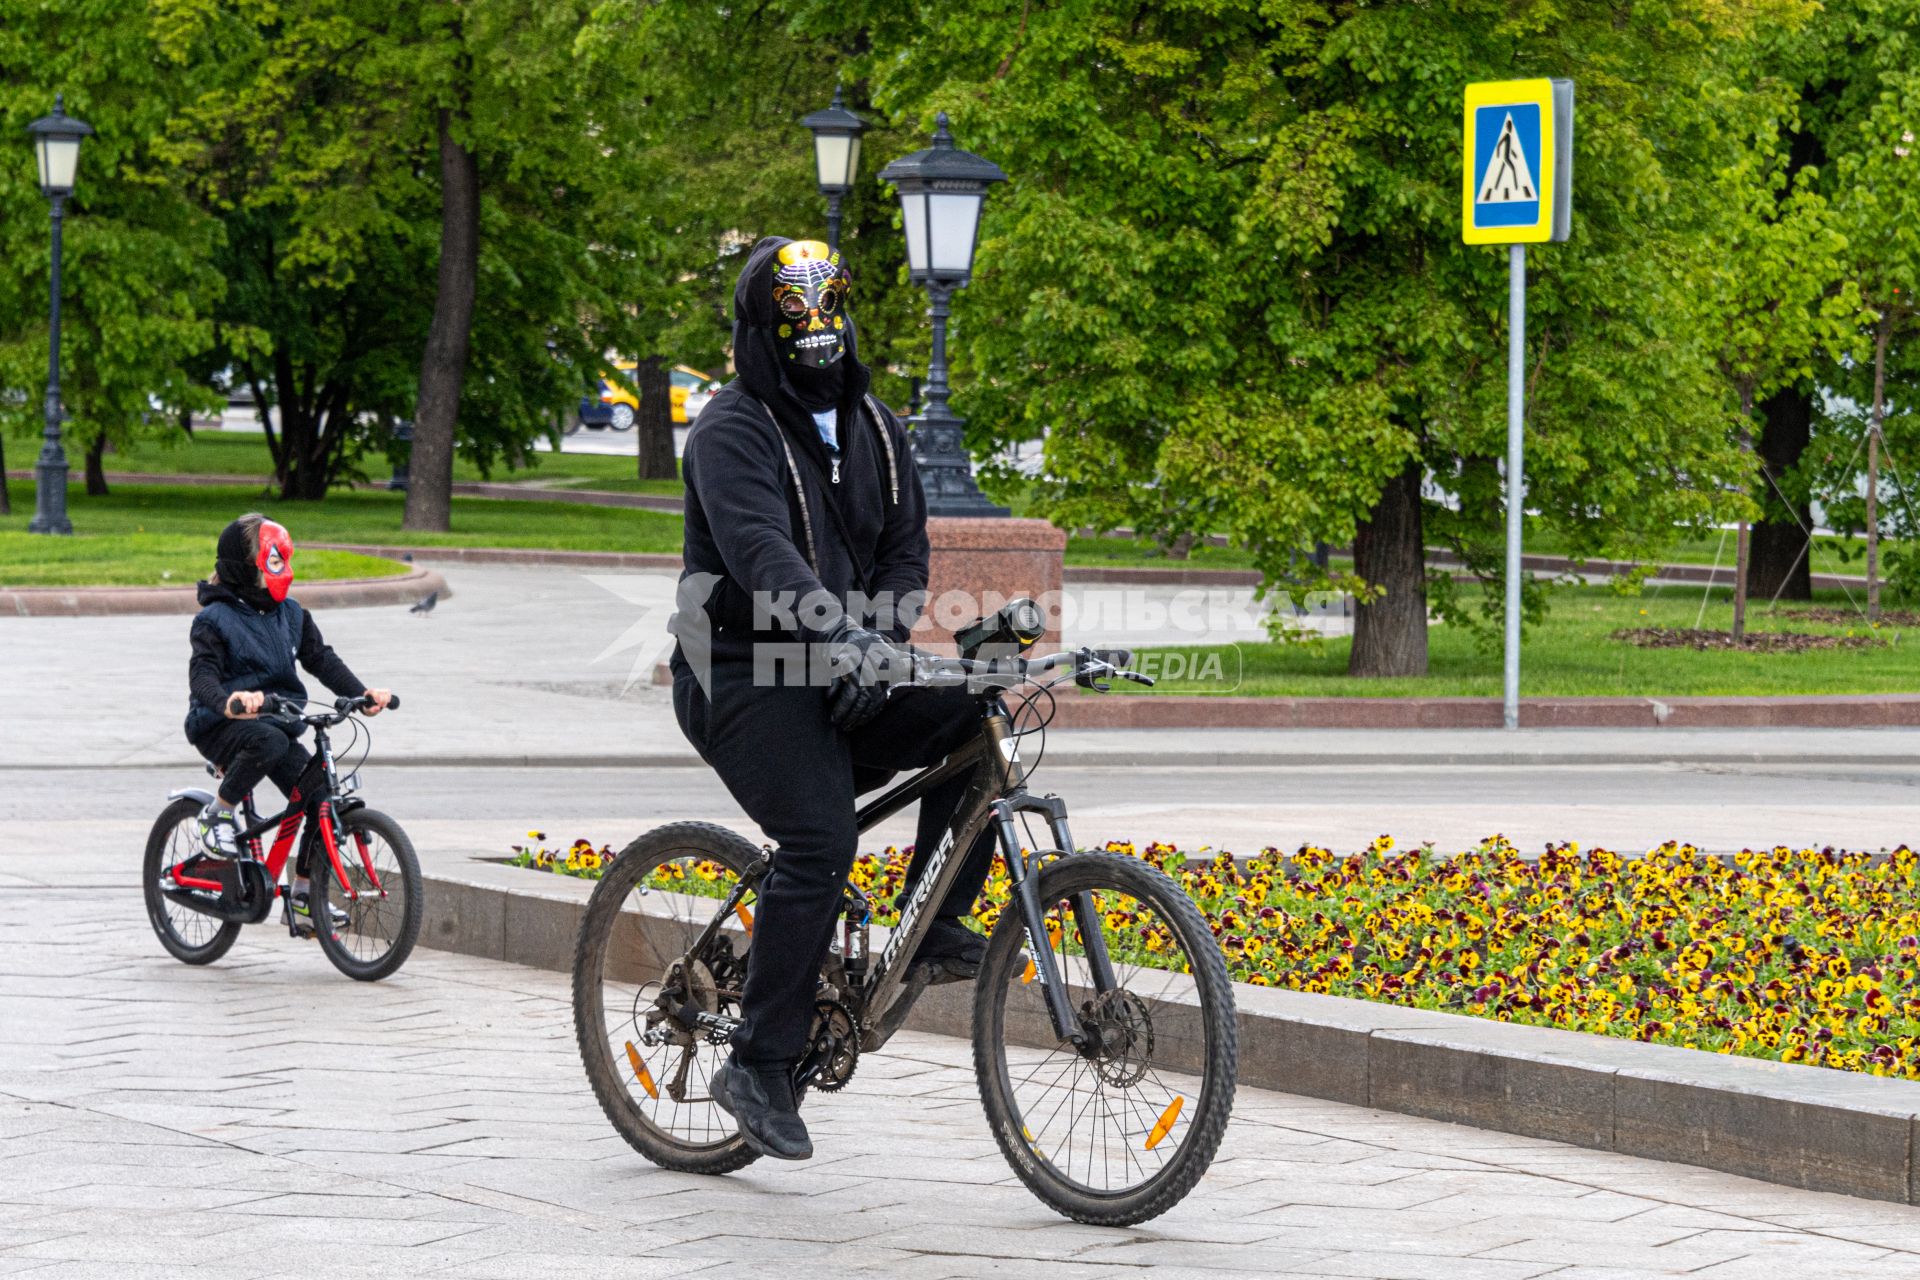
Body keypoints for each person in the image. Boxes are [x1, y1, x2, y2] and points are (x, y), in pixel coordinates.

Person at [670, 237, 999, 1162]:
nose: (818, 344)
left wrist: (879, 651)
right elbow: (762, 555)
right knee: (821, 838)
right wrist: (837, 637)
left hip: (842, 660)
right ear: (763, 336)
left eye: (830, 323)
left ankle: (932, 927)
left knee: (975, 712)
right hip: (734, 666)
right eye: (796, 329)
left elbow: (904, 554)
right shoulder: (730, 430)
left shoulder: (880, 429)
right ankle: (759, 1065)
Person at [183, 513, 392, 932]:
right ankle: (217, 814)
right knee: (269, 742)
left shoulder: (290, 614)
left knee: (319, 792)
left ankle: (301, 896)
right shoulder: (213, 619)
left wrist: (360, 693)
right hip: (221, 723)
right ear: (247, 568)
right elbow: (202, 675)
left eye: (283, 560)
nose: (282, 570)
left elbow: (320, 658)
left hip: (276, 722)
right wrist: (229, 701)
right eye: (272, 562)